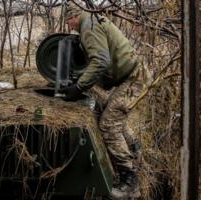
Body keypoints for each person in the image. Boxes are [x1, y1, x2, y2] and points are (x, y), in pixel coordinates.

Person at [60, 3, 143, 199]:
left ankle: (130, 182)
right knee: (110, 111)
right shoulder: (91, 20)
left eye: (68, 22)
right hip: (131, 75)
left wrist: (79, 87)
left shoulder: (88, 27)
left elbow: (100, 61)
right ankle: (134, 149)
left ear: (74, 16)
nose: (70, 27)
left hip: (132, 79)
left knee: (108, 125)